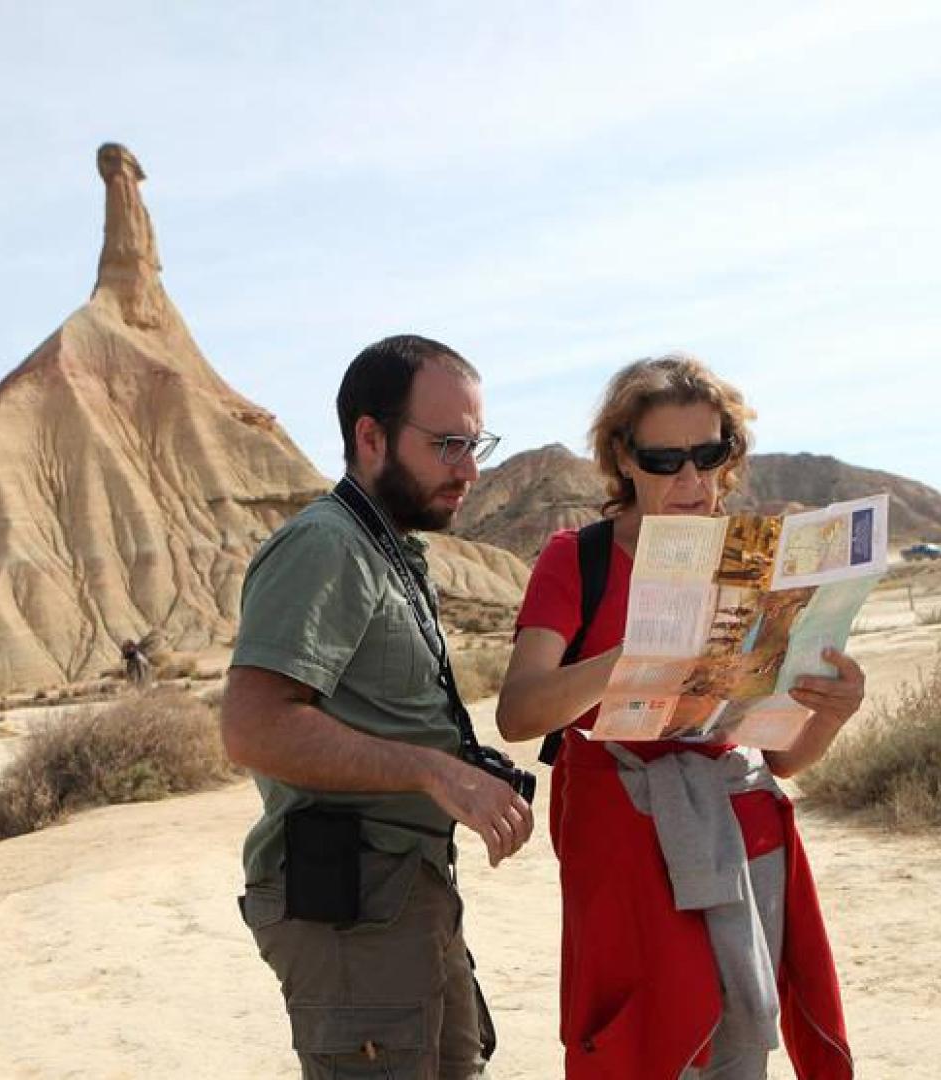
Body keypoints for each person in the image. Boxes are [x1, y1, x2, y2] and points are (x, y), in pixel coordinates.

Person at [497, 355, 861, 1079]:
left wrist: (831, 714)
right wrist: (631, 659)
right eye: (665, 460)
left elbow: (783, 759)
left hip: (741, 832)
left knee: (740, 1047)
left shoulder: (760, 562)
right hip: (623, 844)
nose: (691, 480)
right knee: (635, 1042)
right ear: (625, 459)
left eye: (709, 455)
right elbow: (518, 713)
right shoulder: (578, 559)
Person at [221, 335, 532, 1079]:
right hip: (354, 907)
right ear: (371, 437)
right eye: (448, 444)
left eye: (475, 444)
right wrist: (432, 771)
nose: (469, 469)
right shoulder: (325, 545)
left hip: (403, 891)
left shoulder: (386, 547)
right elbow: (254, 726)